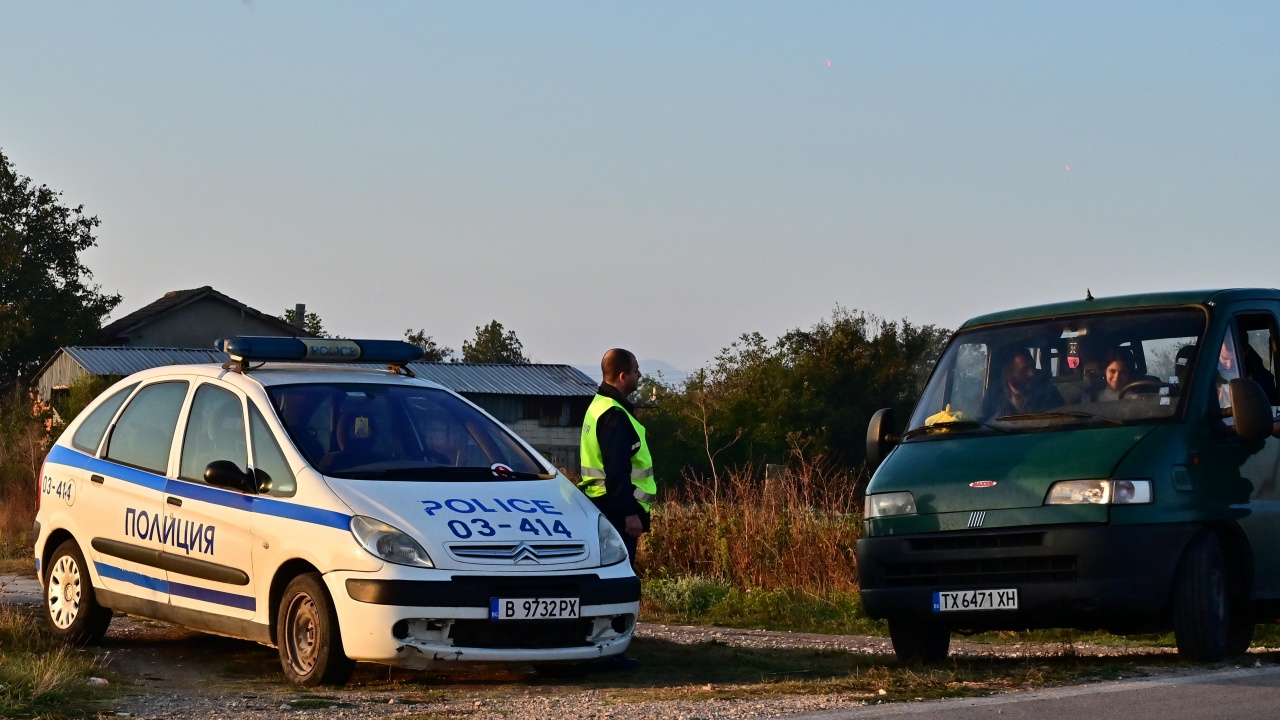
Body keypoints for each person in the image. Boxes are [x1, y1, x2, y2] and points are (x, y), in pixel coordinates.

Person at [578, 348, 654, 671]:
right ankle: (611, 649)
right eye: (636, 371)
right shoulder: (614, 415)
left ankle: (604, 645)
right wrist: (630, 513)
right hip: (617, 511)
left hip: (602, 506)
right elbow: (618, 472)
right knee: (618, 581)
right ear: (623, 376)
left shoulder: (599, 407)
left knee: (607, 580)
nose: (639, 376)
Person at [981, 347, 1063, 418]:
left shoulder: (1047, 391)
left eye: (1032, 367)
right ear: (1008, 374)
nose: (1031, 373)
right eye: (1024, 370)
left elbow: (1050, 426)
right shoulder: (993, 393)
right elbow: (984, 422)